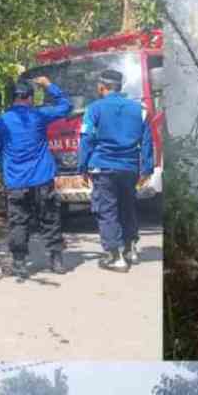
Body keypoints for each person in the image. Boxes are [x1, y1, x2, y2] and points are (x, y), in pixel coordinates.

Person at [0, 76, 71, 277]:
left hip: (17, 181)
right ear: (30, 98)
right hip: (42, 178)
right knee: (50, 217)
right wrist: (49, 85)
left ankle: (19, 263)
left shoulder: (0, 122)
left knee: (18, 221)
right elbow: (66, 106)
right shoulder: (39, 115)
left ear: (13, 98)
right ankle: (56, 261)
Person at [78, 68, 155, 271]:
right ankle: (130, 249)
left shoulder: (94, 108)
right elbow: (148, 141)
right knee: (127, 207)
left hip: (103, 166)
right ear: (120, 87)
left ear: (102, 87)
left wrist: (82, 167)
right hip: (130, 167)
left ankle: (115, 257)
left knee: (107, 210)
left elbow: (86, 139)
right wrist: (147, 168)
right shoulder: (139, 109)